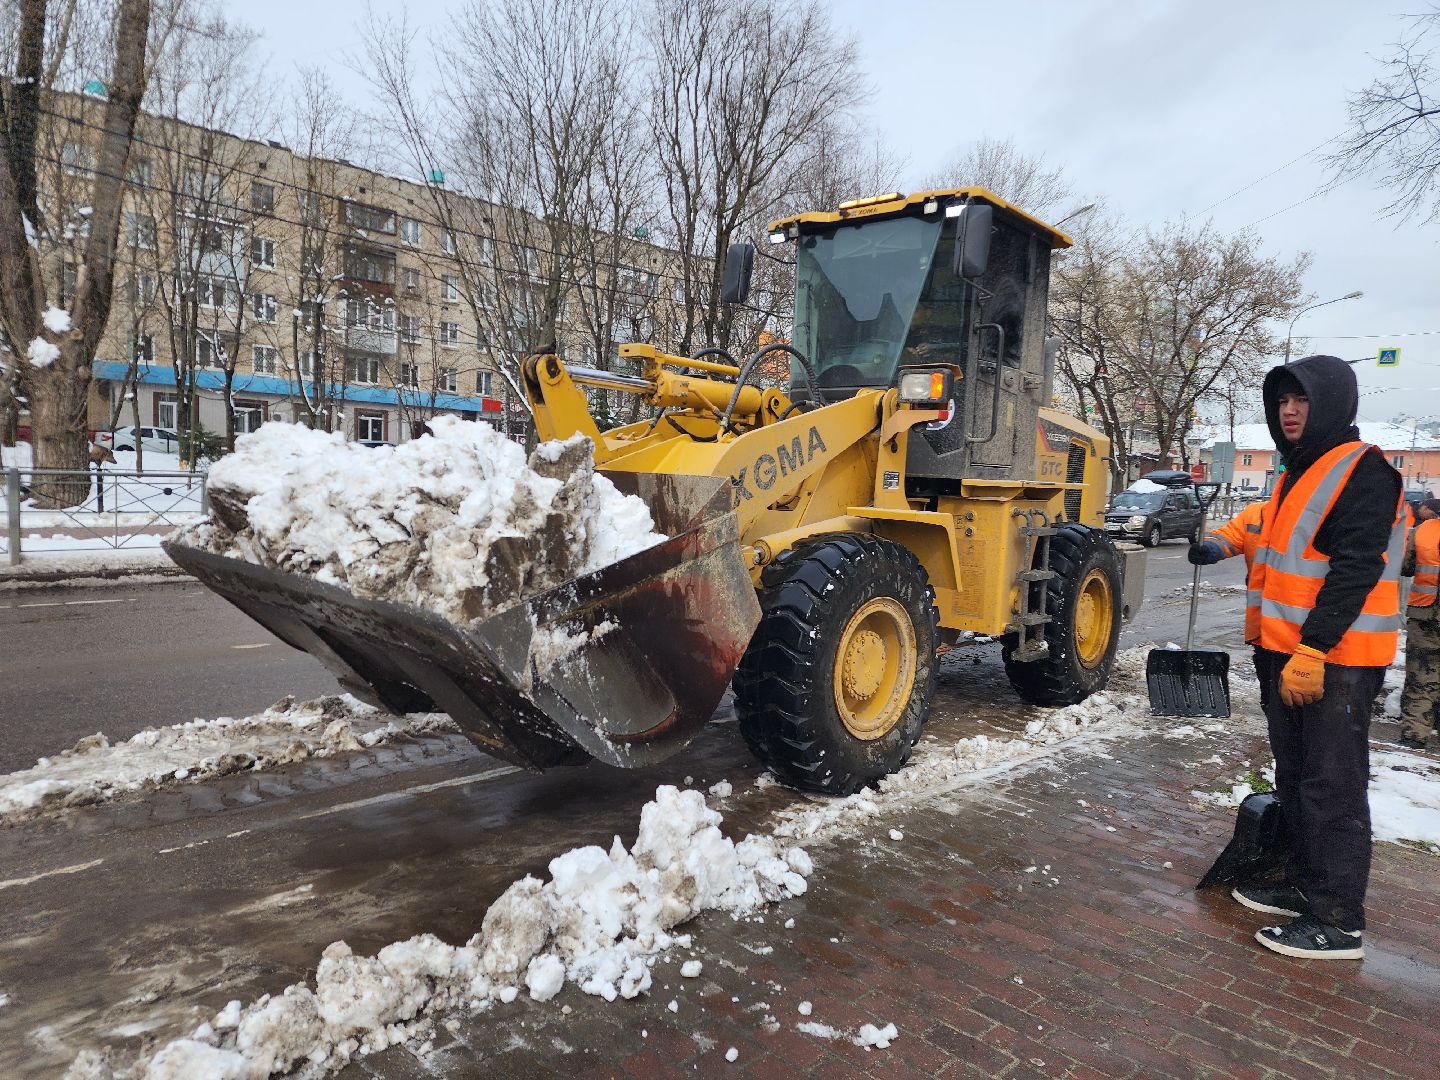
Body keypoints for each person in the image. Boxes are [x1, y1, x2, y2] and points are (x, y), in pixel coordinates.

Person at [1217, 355, 1405, 961]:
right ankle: (1304, 885)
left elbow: (1356, 570)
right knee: (1297, 773)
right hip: (1287, 654)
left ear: (1333, 404)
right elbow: (1268, 539)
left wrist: (1314, 650)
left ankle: (1338, 919)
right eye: (1282, 401)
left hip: (1336, 659)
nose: (1290, 410)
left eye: (1302, 400)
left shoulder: (1364, 470)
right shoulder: (1298, 469)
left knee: (1332, 784)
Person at [1398, 498, 1440, 749]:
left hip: (1426, 614)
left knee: (1421, 674)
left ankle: (1415, 734)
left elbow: (1406, 567)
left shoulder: (1424, 531)